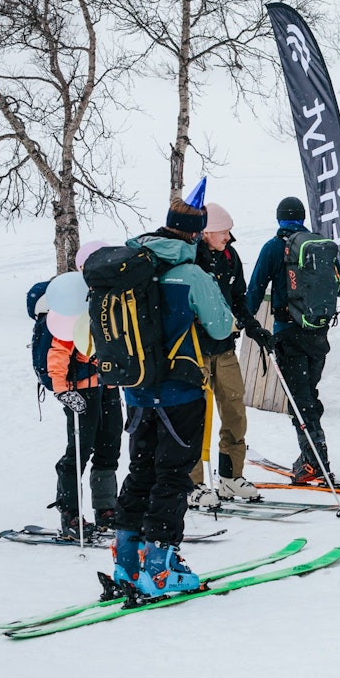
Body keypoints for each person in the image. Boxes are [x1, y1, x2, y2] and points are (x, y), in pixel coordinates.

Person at [113, 198, 234, 596]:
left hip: (138, 390)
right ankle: (163, 565)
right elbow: (220, 328)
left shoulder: (131, 265)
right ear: (196, 234)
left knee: (141, 470)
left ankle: (128, 561)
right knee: (173, 475)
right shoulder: (189, 273)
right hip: (180, 390)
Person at [245, 196, 340, 484]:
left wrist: (244, 322)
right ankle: (314, 454)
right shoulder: (318, 247)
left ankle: (316, 461)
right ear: (302, 217)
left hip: (287, 332)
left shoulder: (273, 247)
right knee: (308, 395)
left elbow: (255, 289)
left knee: (298, 400)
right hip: (318, 332)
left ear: (279, 219)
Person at [187, 202, 274, 508]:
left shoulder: (229, 256)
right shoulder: (189, 260)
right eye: (224, 231)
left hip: (224, 348)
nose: (229, 237)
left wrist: (253, 327)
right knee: (193, 417)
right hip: (194, 351)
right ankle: (193, 483)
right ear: (207, 232)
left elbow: (239, 299)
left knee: (235, 411)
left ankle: (229, 476)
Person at [39, 254, 124, 539]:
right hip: (80, 391)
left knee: (109, 447)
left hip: (107, 387)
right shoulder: (73, 308)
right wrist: (62, 390)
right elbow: (58, 352)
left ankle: (106, 509)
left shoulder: (106, 302)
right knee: (79, 451)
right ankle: (70, 514)